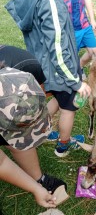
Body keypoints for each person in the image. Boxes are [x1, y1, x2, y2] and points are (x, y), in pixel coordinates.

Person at [6, 0, 91, 157]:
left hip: (45, 65)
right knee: (69, 107)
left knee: (58, 100)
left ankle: (40, 130)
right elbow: (58, 47)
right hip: (58, 70)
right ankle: (63, 146)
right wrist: (75, 82)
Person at [0, 65, 67, 208]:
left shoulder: (27, 66)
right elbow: (1, 163)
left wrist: (36, 187)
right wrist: (33, 189)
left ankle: (39, 179)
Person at [61, 0, 96, 80]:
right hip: (68, 27)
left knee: (94, 52)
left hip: (84, 23)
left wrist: (92, 20)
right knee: (70, 56)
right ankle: (72, 78)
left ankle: (80, 66)